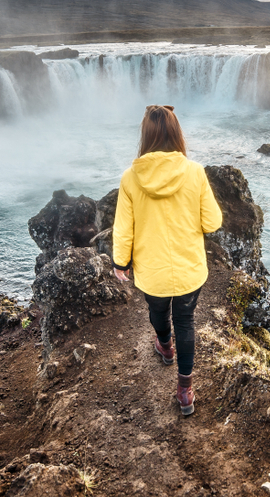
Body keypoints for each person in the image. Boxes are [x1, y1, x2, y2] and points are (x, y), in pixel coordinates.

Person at [112, 105, 223, 416]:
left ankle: (165, 345)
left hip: (152, 271)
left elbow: (123, 227)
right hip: (188, 268)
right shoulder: (195, 172)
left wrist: (121, 262)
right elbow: (212, 222)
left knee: (158, 311)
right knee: (185, 321)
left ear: (145, 136)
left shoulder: (130, 178)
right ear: (177, 134)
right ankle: (185, 391)